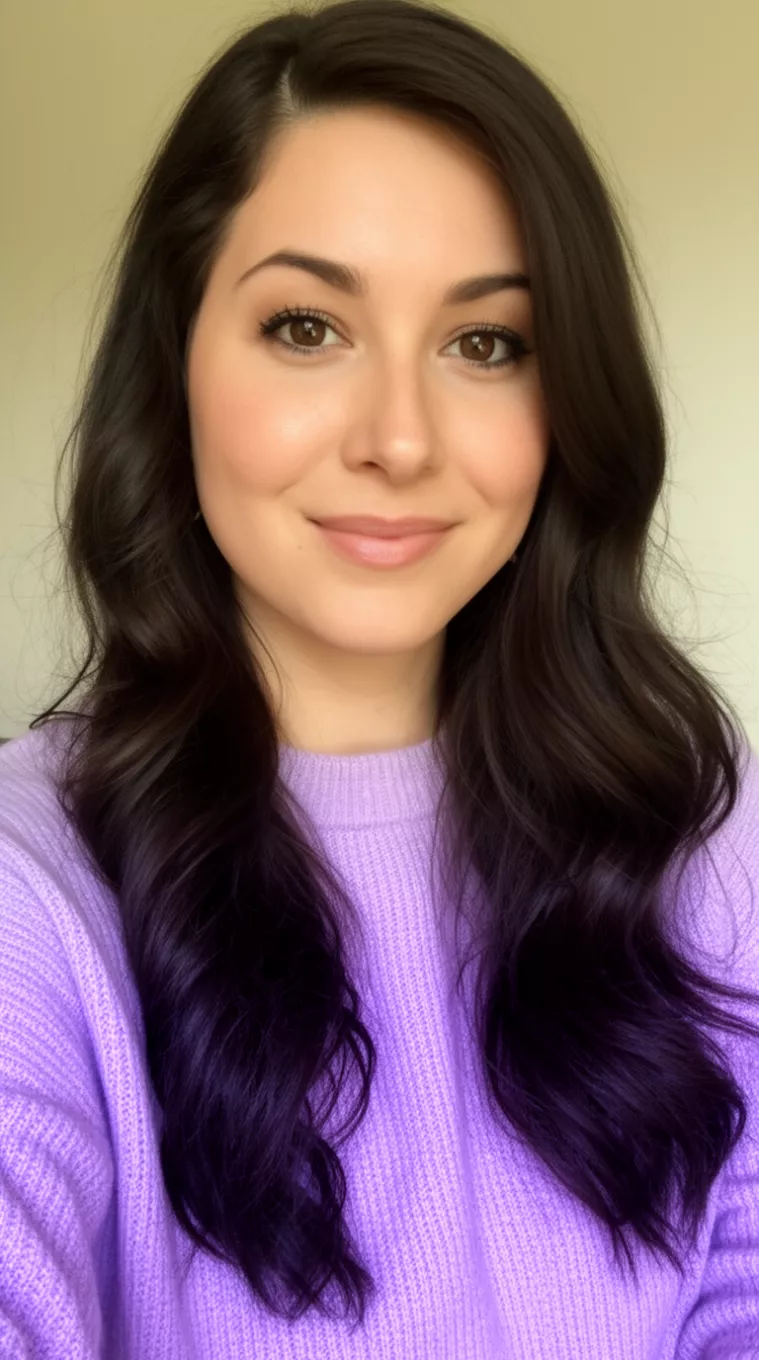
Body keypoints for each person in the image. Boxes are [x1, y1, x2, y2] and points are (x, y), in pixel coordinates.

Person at [1, 1, 758, 1355]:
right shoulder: (31, 889)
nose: (400, 440)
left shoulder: (704, 832)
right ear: (173, 367)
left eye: (485, 344)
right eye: (306, 327)